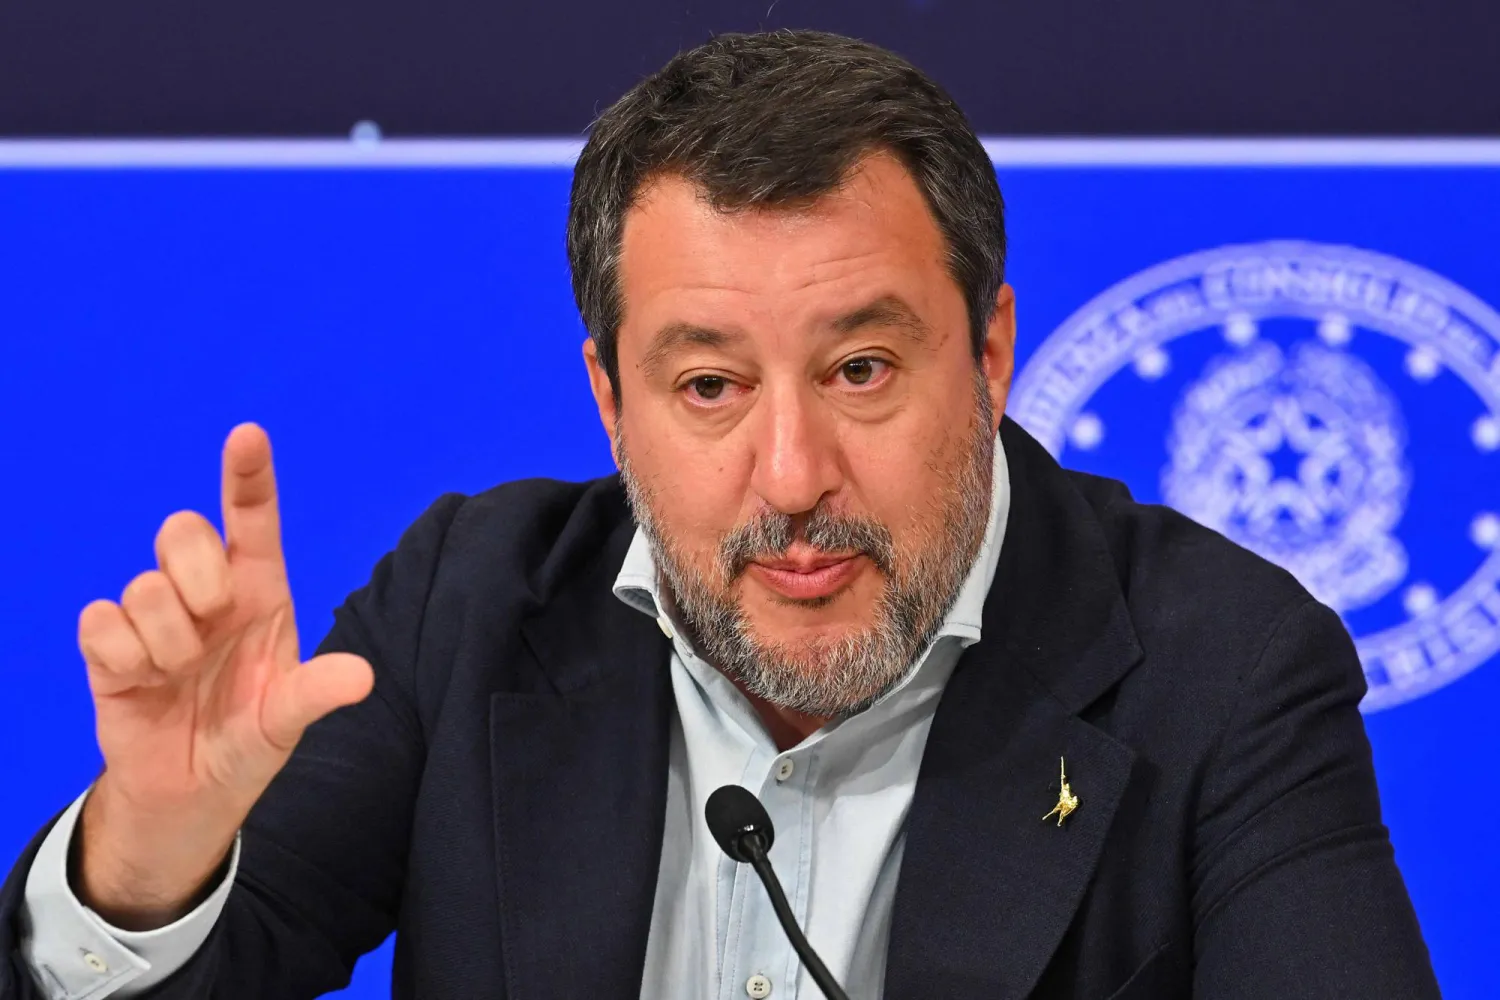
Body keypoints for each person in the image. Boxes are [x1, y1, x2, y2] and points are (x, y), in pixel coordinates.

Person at [0, 29, 1439, 1000]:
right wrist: (146, 858)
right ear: (611, 401)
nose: (793, 473)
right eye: (708, 386)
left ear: (991, 354)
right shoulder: (471, 607)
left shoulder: (1224, 667)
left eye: (861, 369)